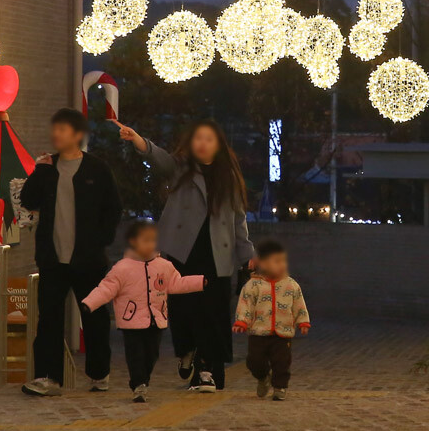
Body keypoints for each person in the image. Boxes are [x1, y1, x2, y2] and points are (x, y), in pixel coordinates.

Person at [112, 118, 254, 393]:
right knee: (183, 312)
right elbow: (160, 159)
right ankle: (187, 350)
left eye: (209, 139)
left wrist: (247, 254)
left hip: (217, 255)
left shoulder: (229, 177)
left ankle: (206, 370)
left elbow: (238, 220)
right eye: (198, 138)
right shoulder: (182, 169)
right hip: (182, 252)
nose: (202, 143)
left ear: (219, 146)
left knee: (212, 315)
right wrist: (137, 139)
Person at [19, 108, 122, 397]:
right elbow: (27, 200)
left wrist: (100, 240)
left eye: (62, 129)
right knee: (49, 318)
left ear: (77, 135)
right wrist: (40, 170)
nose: (56, 134)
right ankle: (46, 378)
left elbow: (113, 208)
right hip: (53, 258)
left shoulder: (97, 169)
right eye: (55, 129)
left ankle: (99, 374)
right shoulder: (47, 169)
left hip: (89, 259)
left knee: (95, 318)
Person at [80, 220, 206, 403]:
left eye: (153, 240)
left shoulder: (163, 266)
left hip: (156, 319)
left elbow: (177, 283)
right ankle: (138, 384)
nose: (150, 244)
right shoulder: (122, 268)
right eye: (145, 240)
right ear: (133, 241)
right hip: (131, 322)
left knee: (151, 354)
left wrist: (199, 282)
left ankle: (143, 381)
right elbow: (106, 289)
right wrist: (89, 303)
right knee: (135, 355)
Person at [233, 238, 310, 401]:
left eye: (283, 261)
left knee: (282, 362)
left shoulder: (291, 285)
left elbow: (299, 304)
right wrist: (241, 321)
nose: (281, 265)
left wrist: (302, 321)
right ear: (263, 263)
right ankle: (262, 378)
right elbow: (245, 304)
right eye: (276, 261)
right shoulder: (253, 285)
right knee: (254, 361)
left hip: (282, 333)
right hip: (258, 332)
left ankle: (280, 386)